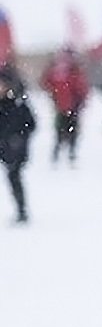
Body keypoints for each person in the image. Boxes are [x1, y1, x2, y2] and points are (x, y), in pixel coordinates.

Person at [38, 48, 87, 165]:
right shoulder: (56, 71)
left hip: (73, 106)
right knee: (59, 131)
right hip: (59, 107)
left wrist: (80, 102)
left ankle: (70, 152)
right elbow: (46, 83)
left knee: (72, 130)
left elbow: (81, 88)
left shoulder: (74, 72)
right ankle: (59, 152)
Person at [0, 66, 35, 223]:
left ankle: (21, 210)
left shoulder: (18, 104)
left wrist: (19, 138)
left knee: (13, 175)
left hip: (16, 149)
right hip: (3, 146)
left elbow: (31, 124)